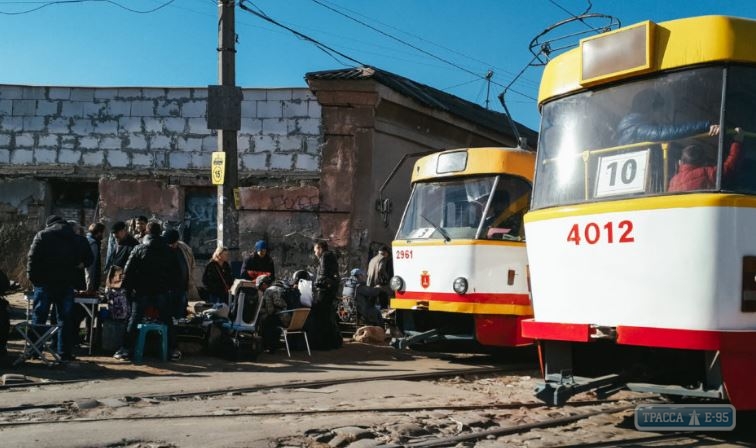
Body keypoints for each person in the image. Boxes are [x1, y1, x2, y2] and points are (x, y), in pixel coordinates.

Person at [114, 221, 181, 362]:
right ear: (160, 232)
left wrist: (127, 289)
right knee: (167, 319)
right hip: (162, 290)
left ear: (147, 232)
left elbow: (128, 271)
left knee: (134, 319)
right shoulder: (169, 251)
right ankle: (173, 350)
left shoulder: (139, 249)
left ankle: (126, 349)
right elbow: (176, 273)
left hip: (142, 290)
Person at [26, 215, 84, 361]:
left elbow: (32, 258)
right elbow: (86, 258)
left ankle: (34, 350)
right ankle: (64, 352)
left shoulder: (42, 235)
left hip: (44, 284)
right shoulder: (75, 237)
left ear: (49, 224)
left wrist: (34, 280)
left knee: (39, 317)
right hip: (65, 285)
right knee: (65, 319)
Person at [617, 88, 720, 145]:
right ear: (650, 110)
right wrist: (706, 126)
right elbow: (664, 133)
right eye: (659, 111)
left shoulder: (628, 125)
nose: (662, 115)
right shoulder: (637, 129)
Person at [668, 127, 745, 192]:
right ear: (704, 162)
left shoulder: (673, 182)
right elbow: (729, 167)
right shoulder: (705, 173)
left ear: (680, 162)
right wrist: (737, 142)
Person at [308, 241, 342, 350]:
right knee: (328, 316)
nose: (315, 253)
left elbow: (323, 275)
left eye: (315, 250)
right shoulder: (331, 256)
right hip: (330, 290)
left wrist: (317, 283)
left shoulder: (325, 256)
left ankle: (324, 344)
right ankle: (333, 342)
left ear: (320, 248)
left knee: (322, 316)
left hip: (324, 291)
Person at [163, 229, 198, 319]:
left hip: (182, 288)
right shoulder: (163, 249)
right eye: (170, 243)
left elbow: (191, 265)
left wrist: (190, 282)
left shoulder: (184, 248)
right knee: (169, 314)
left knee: (181, 313)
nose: (172, 245)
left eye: (174, 243)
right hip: (167, 289)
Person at [256, 275, 288, 353]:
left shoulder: (269, 291)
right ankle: (274, 345)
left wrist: (259, 311)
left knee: (265, 320)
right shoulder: (283, 287)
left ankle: (268, 346)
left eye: (259, 287)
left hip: (281, 319)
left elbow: (270, 311)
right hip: (291, 319)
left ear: (263, 284)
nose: (259, 290)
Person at [85, 222, 105, 294]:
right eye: (102, 233)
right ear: (99, 233)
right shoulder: (93, 243)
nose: (103, 235)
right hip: (89, 286)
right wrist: (90, 287)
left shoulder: (87, 240)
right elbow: (91, 267)